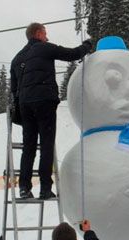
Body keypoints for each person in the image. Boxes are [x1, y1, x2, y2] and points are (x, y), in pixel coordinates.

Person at [10, 22, 92, 200]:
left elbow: (13, 88)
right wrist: (87, 46)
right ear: (38, 33)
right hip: (44, 101)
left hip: (25, 105)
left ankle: (24, 187)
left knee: (29, 147)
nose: (47, 37)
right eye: (45, 33)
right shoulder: (44, 48)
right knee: (46, 145)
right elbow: (71, 54)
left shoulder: (16, 59)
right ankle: (45, 188)